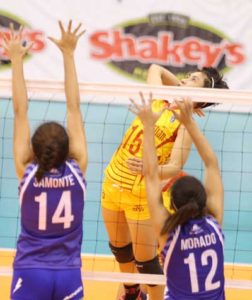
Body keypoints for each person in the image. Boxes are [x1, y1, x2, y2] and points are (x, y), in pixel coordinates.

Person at [101, 63, 228, 300]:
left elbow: (174, 166)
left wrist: (152, 169)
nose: (183, 80)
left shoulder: (184, 126)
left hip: (141, 191)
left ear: (199, 95)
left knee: (146, 262)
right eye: (187, 76)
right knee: (120, 250)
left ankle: (152, 296)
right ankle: (132, 292)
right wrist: (181, 90)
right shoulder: (158, 98)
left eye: (192, 80)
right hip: (112, 181)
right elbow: (155, 68)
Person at [2, 21, 87, 300]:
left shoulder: (26, 170)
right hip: (68, 273)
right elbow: (74, 108)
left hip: (30, 271)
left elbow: (20, 111)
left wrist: (15, 60)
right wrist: (69, 54)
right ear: (68, 149)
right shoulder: (77, 169)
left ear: (34, 151)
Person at [130, 94, 225, 300]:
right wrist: (189, 123)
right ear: (204, 200)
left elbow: (152, 175)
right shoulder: (214, 223)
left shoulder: (168, 233)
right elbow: (212, 164)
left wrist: (148, 126)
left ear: (172, 204)